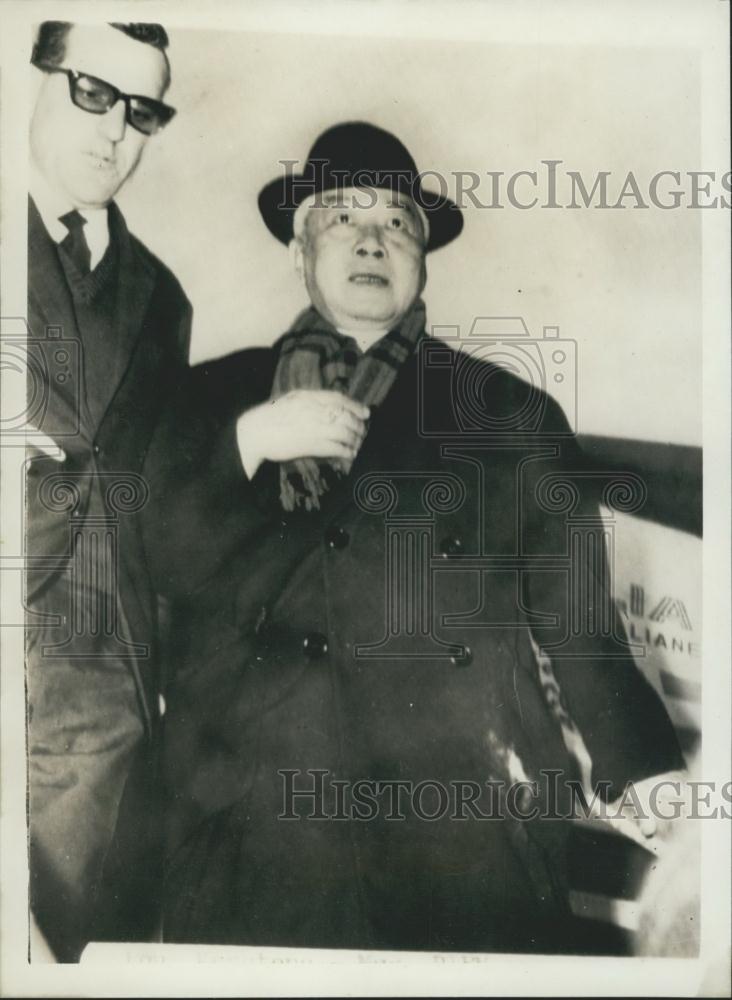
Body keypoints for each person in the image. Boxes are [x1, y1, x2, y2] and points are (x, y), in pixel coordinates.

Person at [148, 122, 685, 951]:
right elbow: (154, 557)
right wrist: (251, 443)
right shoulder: (214, 401)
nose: (371, 240)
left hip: (460, 831)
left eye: (396, 222)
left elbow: (584, 637)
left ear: (423, 257)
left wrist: (670, 806)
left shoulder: (510, 416)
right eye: (341, 218)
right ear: (300, 253)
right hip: (248, 832)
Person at [25, 20, 189, 961]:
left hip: (98, 701)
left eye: (141, 111)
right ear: (37, 77)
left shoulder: (162, 298)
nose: (114, 130)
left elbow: (160, 505)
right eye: (93, 92)